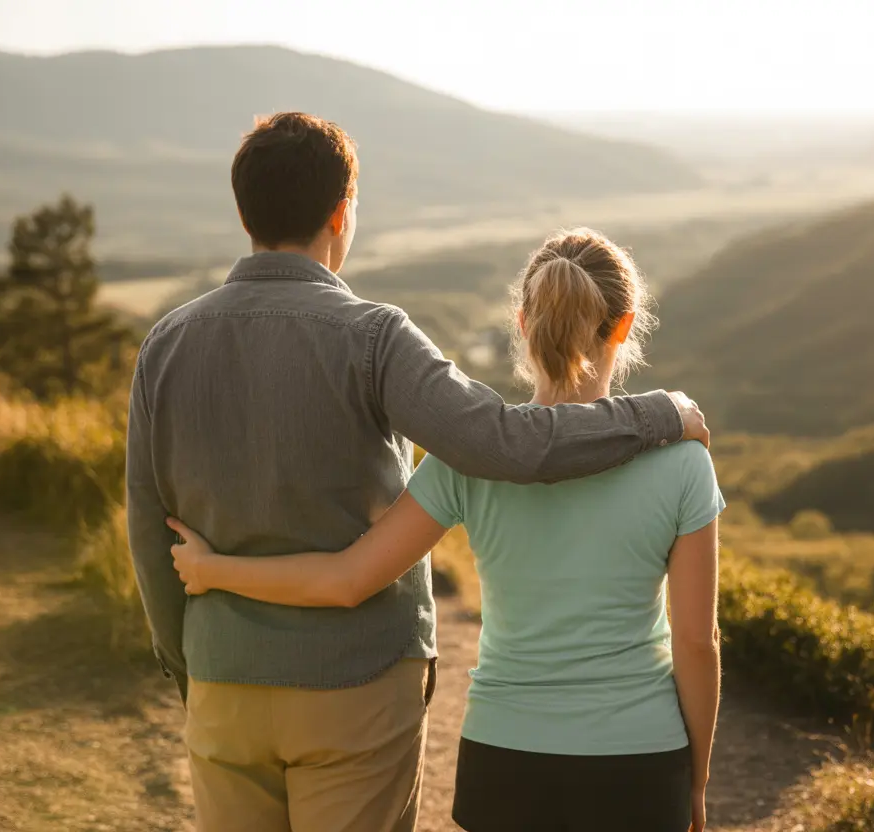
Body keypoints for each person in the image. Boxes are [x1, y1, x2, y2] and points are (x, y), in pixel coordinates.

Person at [126, 113, 709, 832]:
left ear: (245, 211)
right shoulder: (374, 337)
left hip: (221, 678)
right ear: (342, 212)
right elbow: (502, 440)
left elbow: (148, 527)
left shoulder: (165, 344)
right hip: (358, 686)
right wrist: (657, 416)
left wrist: (193, 664)